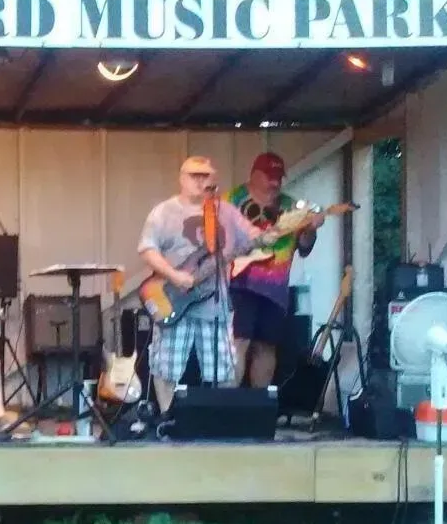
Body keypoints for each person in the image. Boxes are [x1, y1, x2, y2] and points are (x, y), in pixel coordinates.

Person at [137, 156, 289, 413]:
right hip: (172, 299)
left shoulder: (224, 211)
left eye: (206, 175)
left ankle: (217, 420)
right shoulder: (164, 212)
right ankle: (167, 418)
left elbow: (253, 237)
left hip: (214, 305)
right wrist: (175, 277)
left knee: (225, 370)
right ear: (182, 178)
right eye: (195, 175)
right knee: (166, 368)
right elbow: (147, 249)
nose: (201, 180)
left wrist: (273, 233)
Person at [227, 151, 322, 390]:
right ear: (254, 175)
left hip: (275, 289)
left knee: (266, 345)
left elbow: (304, 248)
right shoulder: (232, 200)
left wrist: (310, 229)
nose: (275, 182)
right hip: (238, 282)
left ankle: (259, 406)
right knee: (238, 341)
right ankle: (229, 405)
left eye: (279, 177)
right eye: (269, 176)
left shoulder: (291, 207)